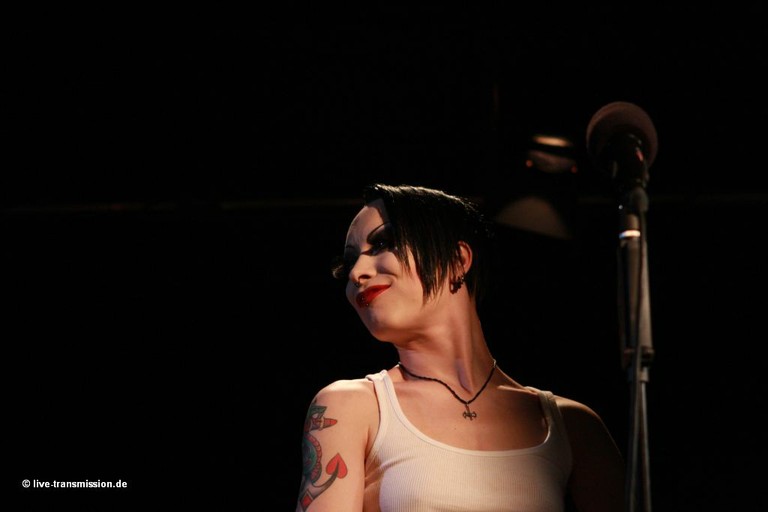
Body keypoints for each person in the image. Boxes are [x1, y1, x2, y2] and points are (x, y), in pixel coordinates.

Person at [295, 183, 625, 512]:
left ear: (457, 259)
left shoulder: (573, 426)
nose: (356, 273)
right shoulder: (351, 407)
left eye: (383, 243)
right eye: (349, 262)